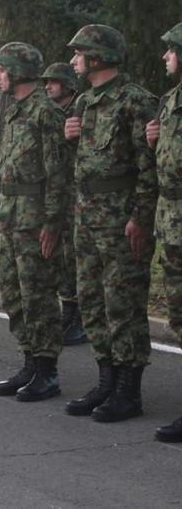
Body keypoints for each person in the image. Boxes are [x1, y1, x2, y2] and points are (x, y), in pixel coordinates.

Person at [63, 24, 157, 422]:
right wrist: (70, 138)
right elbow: (84, 164)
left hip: (121, 220)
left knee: (124, 305)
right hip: (88, 217)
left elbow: (148, 166)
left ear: (97, 57)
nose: (73, 60)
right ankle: (106, 380)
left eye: (78, 53)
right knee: (92, 301)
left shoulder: (136, 101)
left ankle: (128, 392)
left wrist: (140, 218)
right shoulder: (85, 102)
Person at [0, 44, 67, 402]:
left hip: (35, 217)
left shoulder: (46, 113)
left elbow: (59, 174)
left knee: (38, 295)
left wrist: (53, 223)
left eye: (0, 70)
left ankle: (47, 371)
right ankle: (29, 361)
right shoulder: (14, 113)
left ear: (17, 70)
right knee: (13, 294)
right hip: (11, 217)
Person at [146, 22, 182, 441]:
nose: (165, 57)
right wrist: (153, 141)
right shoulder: (170, 100)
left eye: (171, 50)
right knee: (178, 312)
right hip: (172, 221)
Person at [40, 63, 88, 346]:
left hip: (78, 196)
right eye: (46, 82)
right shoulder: (52, 114)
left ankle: (78, 318)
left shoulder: (78, 112)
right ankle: (68, 313)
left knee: (75, 258)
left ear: (69, 85)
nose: (48, 86)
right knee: (62, 259)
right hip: (58, 196)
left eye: (54, 82)